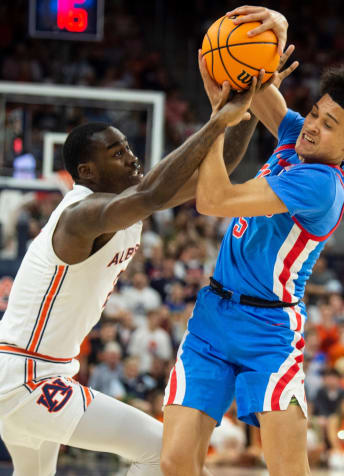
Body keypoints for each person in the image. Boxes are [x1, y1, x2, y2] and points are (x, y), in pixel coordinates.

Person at [159, 6, 344, 476]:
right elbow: (256, 86)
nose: (311, 125)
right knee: (174, 463)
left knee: (287, 471)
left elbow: (212, 199)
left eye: (330, 124)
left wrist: (216, 122)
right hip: (212, 315)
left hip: (268, 330)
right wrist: (277, 27)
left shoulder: (321, 185)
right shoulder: (295, 138)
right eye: (315, 112)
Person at [0, 76, 260, 475]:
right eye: (116, 152)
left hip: (30, 372)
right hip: (27, 378)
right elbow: (152, 195)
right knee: (166, 457)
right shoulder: (80, 215)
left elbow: (219, 168)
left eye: (127, 147)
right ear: (88, 170)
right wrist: (214, 123)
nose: (131, 157)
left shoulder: (124, 206)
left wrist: (250, 104)